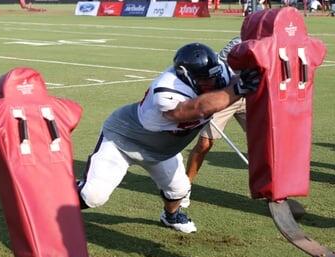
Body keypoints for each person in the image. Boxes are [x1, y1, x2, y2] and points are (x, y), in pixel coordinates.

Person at [76, 42, 260, 233]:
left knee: (179, 190)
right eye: (204, 79)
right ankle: (51, 205)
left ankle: (170, 216)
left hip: (162, 151)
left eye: (213, 77)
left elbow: (237, 78)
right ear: (186, 76)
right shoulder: (167, 88)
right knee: (93, 195)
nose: (212, 83)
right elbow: (192, 110)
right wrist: (238, 89)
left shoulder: (220, 72)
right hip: (123, 140)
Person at [186, 37, 246, 186]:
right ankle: (184, 187)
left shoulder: (272, 43)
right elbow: (218, 67)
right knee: (204, 144)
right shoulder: (238, 42)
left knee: (264, 142)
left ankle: (270, 191)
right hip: (226, 95)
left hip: (250, 97)